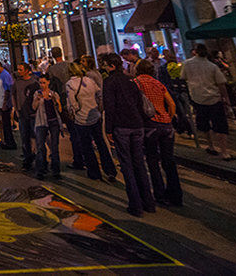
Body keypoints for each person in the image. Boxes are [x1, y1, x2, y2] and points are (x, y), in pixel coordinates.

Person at [101, 52, 156, 216]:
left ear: (111, 66)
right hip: (136, 125)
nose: (104, 67)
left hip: (121, 126)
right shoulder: (131, 80)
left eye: (105, 65)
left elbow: (109, 107)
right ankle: (149, 202)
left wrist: (108, 129)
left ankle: (136, 205)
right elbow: (139, 103)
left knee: (126, 164)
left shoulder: (109, 82)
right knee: (139, 162)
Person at [135, 59, 182, 206]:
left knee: (152, 160)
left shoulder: (137, 83)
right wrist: (169, 116)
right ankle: (176, 194)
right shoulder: (158, 83)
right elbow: (172, 103)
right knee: (169, 161)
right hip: (166, 125)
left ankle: (159, 193)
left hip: (150, 125)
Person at [180, 44, 233, 160]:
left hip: (197, 98)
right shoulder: (212, 66)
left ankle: (211, 146)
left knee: (204, 124)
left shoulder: (187, 64)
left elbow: (182, 77)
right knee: (220, 125)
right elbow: (221, 84)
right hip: (214, 98)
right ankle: (224, 151)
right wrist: (226, 98)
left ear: (195, 52)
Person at [65, 63, 116, 182]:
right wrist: (98, 106)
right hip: (94, 115)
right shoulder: (89, 80)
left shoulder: (70, 84)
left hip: (81, 118)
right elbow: (99, 93)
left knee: (86, 146)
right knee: (101, 143)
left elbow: (72, 103)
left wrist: (75, 111)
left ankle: (94, 172)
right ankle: (109, 170)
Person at [32, 74, 62, 180]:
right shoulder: (37, 93)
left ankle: (56, 170)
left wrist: (56, 101)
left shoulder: (54, 94)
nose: (42, 85)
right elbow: (34, 107)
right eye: (40, 83)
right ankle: (41, 169)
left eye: (44, 82)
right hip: (41, 122)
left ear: (48, 82)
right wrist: (37, 99)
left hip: (53, 122)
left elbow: (59, 109)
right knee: (40, 146)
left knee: (54, 147)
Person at [14, 63, 38, 171]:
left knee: (35, 137)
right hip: (22, 114)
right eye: (18, 69)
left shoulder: (34, 82)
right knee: (24, 137)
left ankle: (37, 158)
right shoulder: (17, 83)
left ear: (27, 70)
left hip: (32, 114)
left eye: (21, 69)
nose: (19, 71)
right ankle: (27, 159)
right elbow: (13, 95)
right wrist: (16, 109)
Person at [0, 61, 17, 149]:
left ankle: (10, 143)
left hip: (5, 105)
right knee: (5, 124)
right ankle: (7, 142)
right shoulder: (2, 75)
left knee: (6, 125)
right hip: (3, 104)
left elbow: (8, 90)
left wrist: (5, 103)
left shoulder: (4, 75)